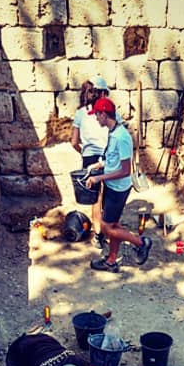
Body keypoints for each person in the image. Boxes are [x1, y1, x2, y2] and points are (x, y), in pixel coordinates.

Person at [83, 98, 153, 273]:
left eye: (97, 115)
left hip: (118, 189)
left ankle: (141, 243)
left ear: (103, 114)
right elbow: (112, 159)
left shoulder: (122, 137)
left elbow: (125, 170)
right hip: (112, 186)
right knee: (113, 225)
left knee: (106, 228)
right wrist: (98, 165)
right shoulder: (113, 131)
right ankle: (111, 261)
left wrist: (100, 178)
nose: (96, 119)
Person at [71, 77, 110, 245]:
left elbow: (73, 141)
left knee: (95, 198)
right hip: (107, 156)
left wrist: (84, 153)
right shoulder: (108, 111)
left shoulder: (80, 113)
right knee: (109, 196)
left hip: (89, 157)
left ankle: (98, 235)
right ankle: (109, 229)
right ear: (101, 93)